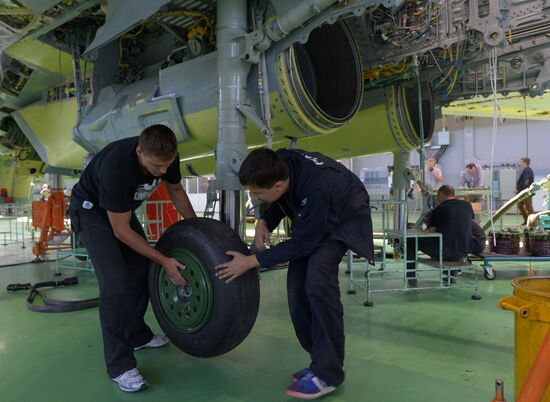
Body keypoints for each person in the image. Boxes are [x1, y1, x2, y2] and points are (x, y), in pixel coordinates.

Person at [215, 148, 374, 400]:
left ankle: (329, 372)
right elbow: (282, 198)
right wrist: (264, 221)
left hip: (343, 217)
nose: (253, 197)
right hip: (315, 216)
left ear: (277, 185)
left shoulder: (317, 188)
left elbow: (302, 245)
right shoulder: (280, 162)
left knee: (318, 284)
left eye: (256, 193)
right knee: (297, 287)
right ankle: (322, 360)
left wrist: (251, 261)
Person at [68, 125, 196, 392]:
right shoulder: (117, 168)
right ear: (139, 151)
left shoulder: (166, 156)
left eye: (166, 166)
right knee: (115, 284)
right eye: (155, 166)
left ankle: (136, 333)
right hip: (92, 213)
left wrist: (198, 231)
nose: (161, 172)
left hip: (119, 212)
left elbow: (176, 191)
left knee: (141, 268)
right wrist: (163, 260)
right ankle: (120, 365)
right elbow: (121, 231)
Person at [406, 185, 475, 285]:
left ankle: (411, 277)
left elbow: (431, 231)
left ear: (440, 195)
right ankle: (450, 277)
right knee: (451, 239)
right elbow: (458, 223)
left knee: (410, 240)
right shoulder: (467, 205)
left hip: (443, 252)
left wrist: (425, 224)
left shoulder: (439, 209)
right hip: (463, 252)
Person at [517, 157, 535, 225]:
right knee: (520, 205)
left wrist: (518, 189)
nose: (520, 164)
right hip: (523, 192)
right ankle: (527, 220)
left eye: (521, 162)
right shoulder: (525, 170)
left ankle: (533, 223)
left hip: (527, 192)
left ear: (525, 162)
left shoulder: (528, 170)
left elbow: (526, 181)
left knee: (529, 208)